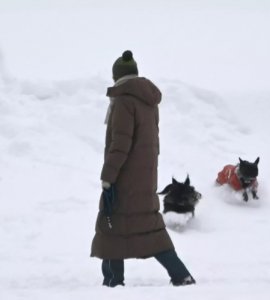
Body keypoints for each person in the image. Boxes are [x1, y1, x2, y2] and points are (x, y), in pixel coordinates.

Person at [91, 50, 195, 287]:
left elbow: (120, 144)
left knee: (111, 226)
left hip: (125, 179)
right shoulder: (147, 102)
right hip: (145, 179)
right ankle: (181, 274)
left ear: (117, 76)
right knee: (150, 230)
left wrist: (108, 177)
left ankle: (113, 282)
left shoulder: (124, 101)